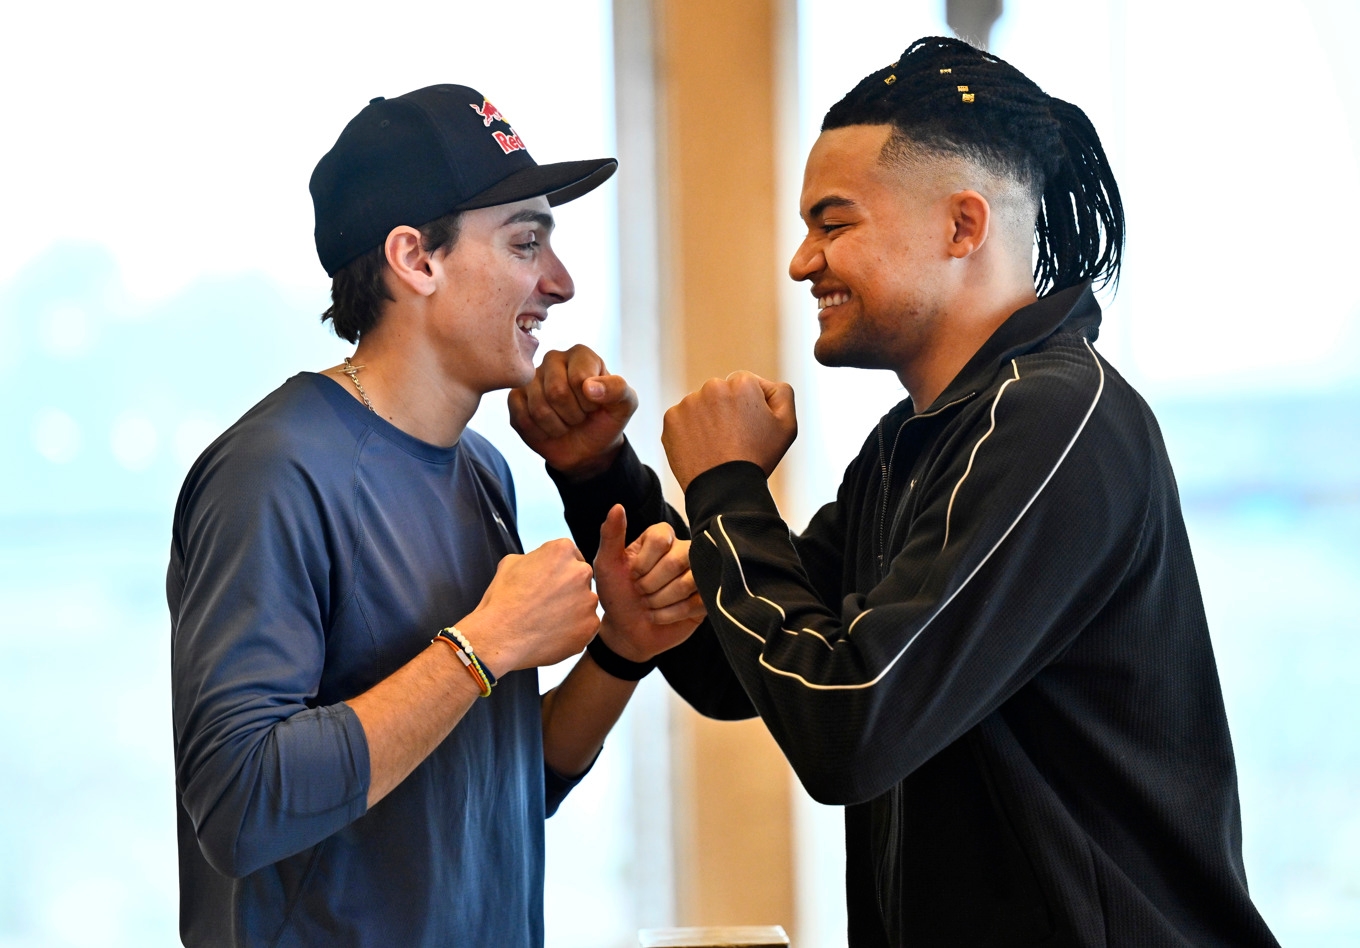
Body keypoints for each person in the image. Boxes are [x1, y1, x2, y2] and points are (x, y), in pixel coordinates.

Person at [509, 38, 1280, 947]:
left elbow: (849, 727)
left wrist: (725, 482)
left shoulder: (1057, 418)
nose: (802, 263)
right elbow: (741, 670)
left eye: (833, 225)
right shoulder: (918, 441)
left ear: (962, 226)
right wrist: (600, 470)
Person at [168, 84, 703, 947]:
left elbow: (497, 782)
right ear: (417, 259)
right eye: (527, 243)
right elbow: (239, 802)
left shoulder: (482, 471)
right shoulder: (274, 472)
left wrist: (621, 649)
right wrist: (482, 645)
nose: (560, 284)